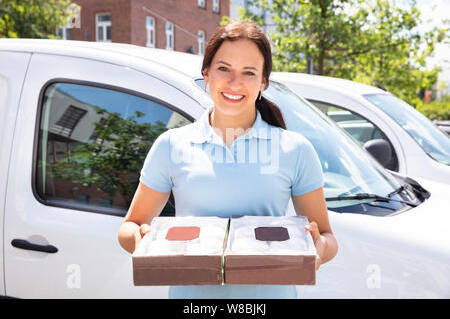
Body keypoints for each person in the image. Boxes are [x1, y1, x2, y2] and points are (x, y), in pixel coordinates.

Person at [118, 21, 338, 299]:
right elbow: (130, 226)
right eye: (224, 69)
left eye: (249, 72)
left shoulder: (295, 149)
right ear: (206, 74)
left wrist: (318, 249)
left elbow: (328, 237)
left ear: (263, 83)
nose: (235, 83)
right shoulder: (171, 145)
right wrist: (141, 241)